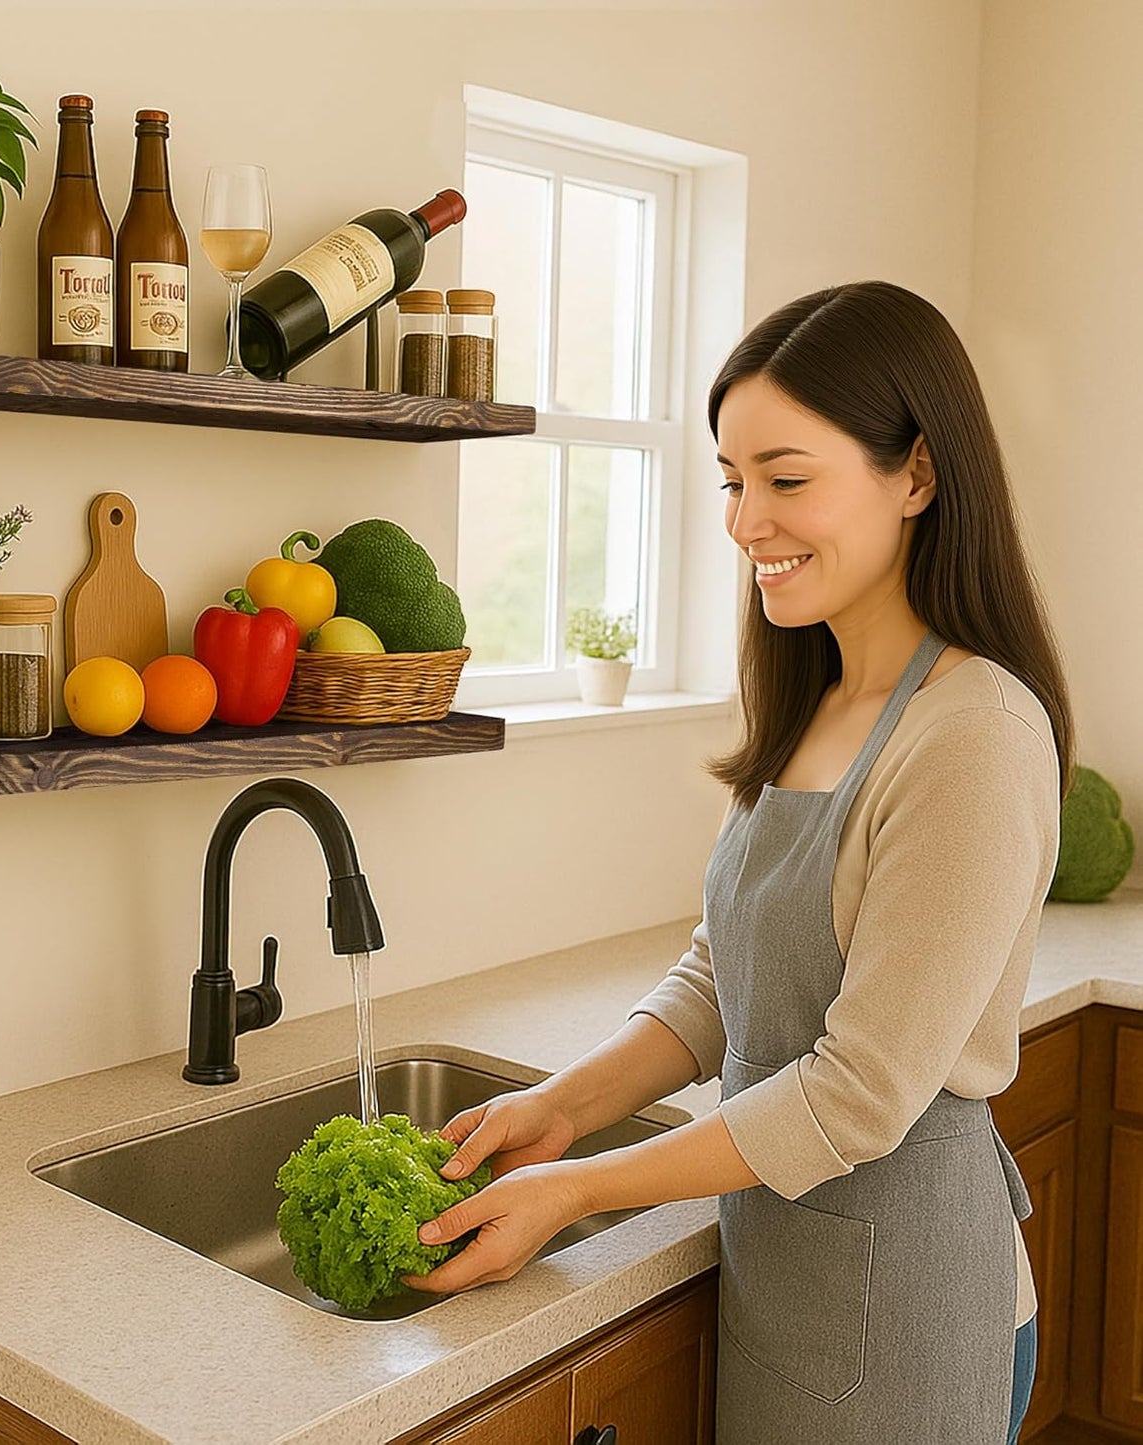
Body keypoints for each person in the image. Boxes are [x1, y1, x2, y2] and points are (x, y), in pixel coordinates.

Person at [403, 281, 1072, 1445]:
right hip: (788, 1284)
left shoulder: (973, 732)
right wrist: (560, 1111)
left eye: (785, 477)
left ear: (914, 474)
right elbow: (724, 979)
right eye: (730, 478)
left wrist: (572, 1189)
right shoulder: (813, 702)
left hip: (912, 1306)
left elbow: (857, 1093)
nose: (741, 518)